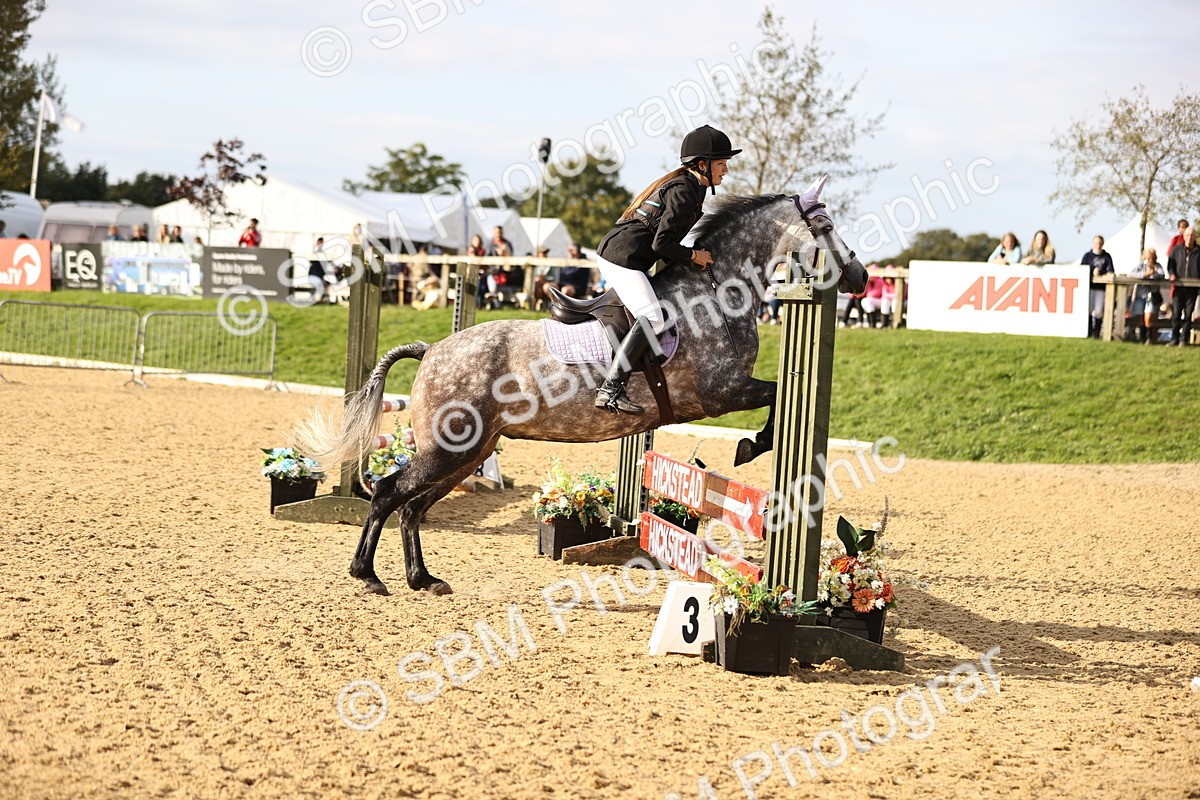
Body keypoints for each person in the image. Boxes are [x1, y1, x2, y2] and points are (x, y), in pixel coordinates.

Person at [593, 124, 739, 413]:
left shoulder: (690, 187)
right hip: (622, 258)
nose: (726, 170)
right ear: (702, 164)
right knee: (653, 318)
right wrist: (694, 256)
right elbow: (662, 244)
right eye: (721, 163)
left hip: (628, 256)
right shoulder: (685, 190)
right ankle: (610, 390)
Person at [1166, 226, 1200, 346]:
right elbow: (1170, 264)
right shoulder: (1176, 249)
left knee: (1188, 314)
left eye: (1192, 235)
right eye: (1187, 235)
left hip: (1192, 288)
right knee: (1176, 313)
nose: (1190, 237)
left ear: (1195, 237)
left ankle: (1184, 339)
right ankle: (1174, 338)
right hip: (1178, 286)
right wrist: (1172, 274)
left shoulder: (1198, 251)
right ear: (1184, 236)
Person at [1081, 235, 1115, 339]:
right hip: (1089, 287)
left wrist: (1101, 273)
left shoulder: (1106, 257)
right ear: (1093, 244)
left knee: (1099, 311)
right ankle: (1088, 332)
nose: (1098, 245)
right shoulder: (1087, 256)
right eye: (1096, 243)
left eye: (1100, 243)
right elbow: (1082, 269)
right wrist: (1092, 270)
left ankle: (1096, 333)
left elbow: (1111, 271)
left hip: (1101, 288)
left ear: (1102, 244)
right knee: (1089, 310)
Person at [1127, 249, 1164, 344]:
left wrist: (1152, 274)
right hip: (1141, 295)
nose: (1150, 260)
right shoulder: (1141, 266)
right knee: (1140, 317)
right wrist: (1144, 274)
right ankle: (1141, 339)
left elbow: (1161, 275)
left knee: (1148, 316)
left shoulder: (1158, 266)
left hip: (1151, 296)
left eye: (1152, 258)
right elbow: (1131, 274)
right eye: (1148, 258)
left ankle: (1149, 338)